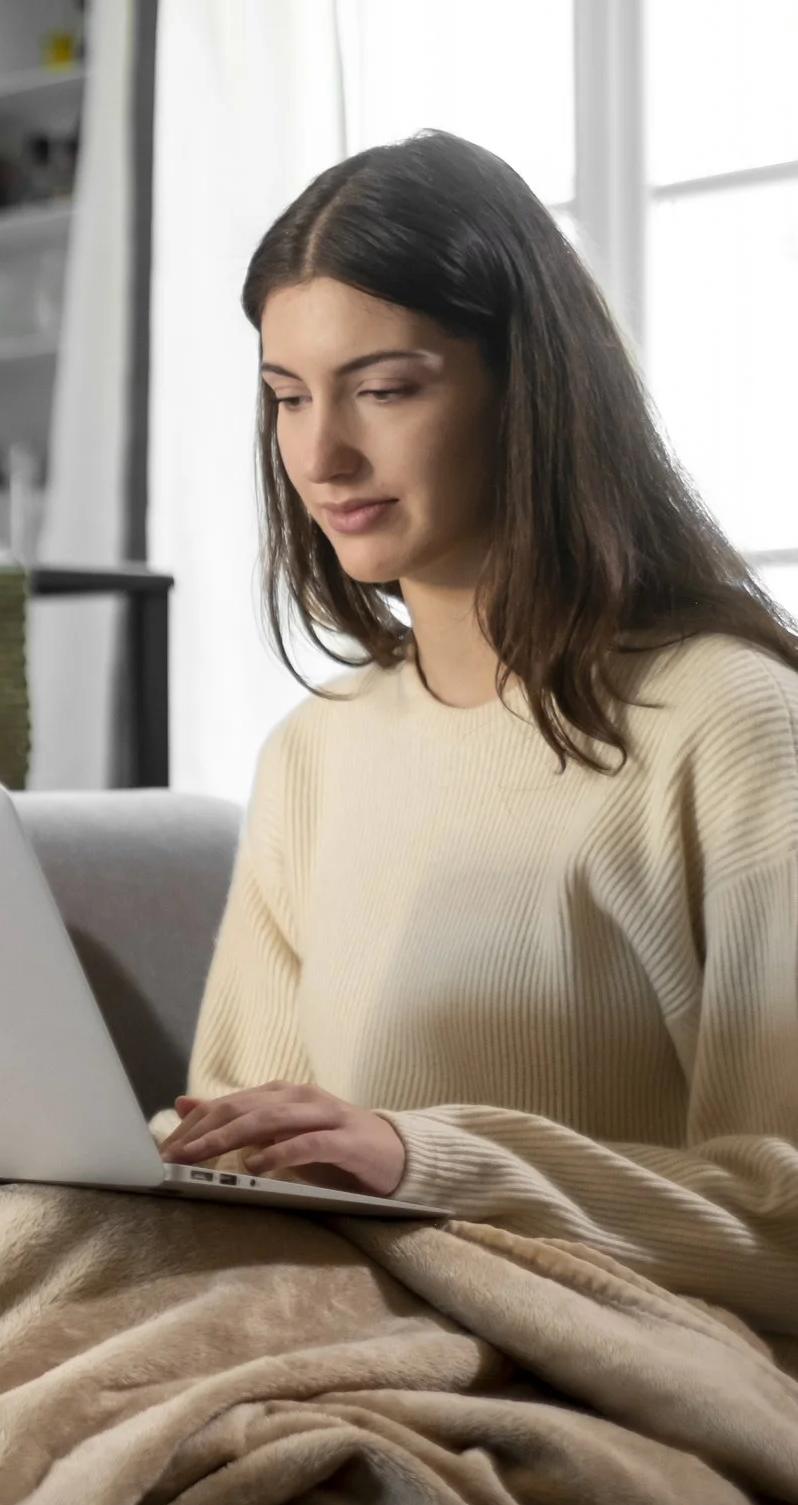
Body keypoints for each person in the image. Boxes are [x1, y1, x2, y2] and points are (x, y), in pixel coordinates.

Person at [158, 130, 798, 1335]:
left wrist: (424, 1161)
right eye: (286, 398)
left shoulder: (730, 721)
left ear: (530, 387)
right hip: (324, 1322)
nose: (320, 453)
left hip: (600, 1347)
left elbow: (784, 1225)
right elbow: (236, 1150)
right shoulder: (317, 748)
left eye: (385, 388)